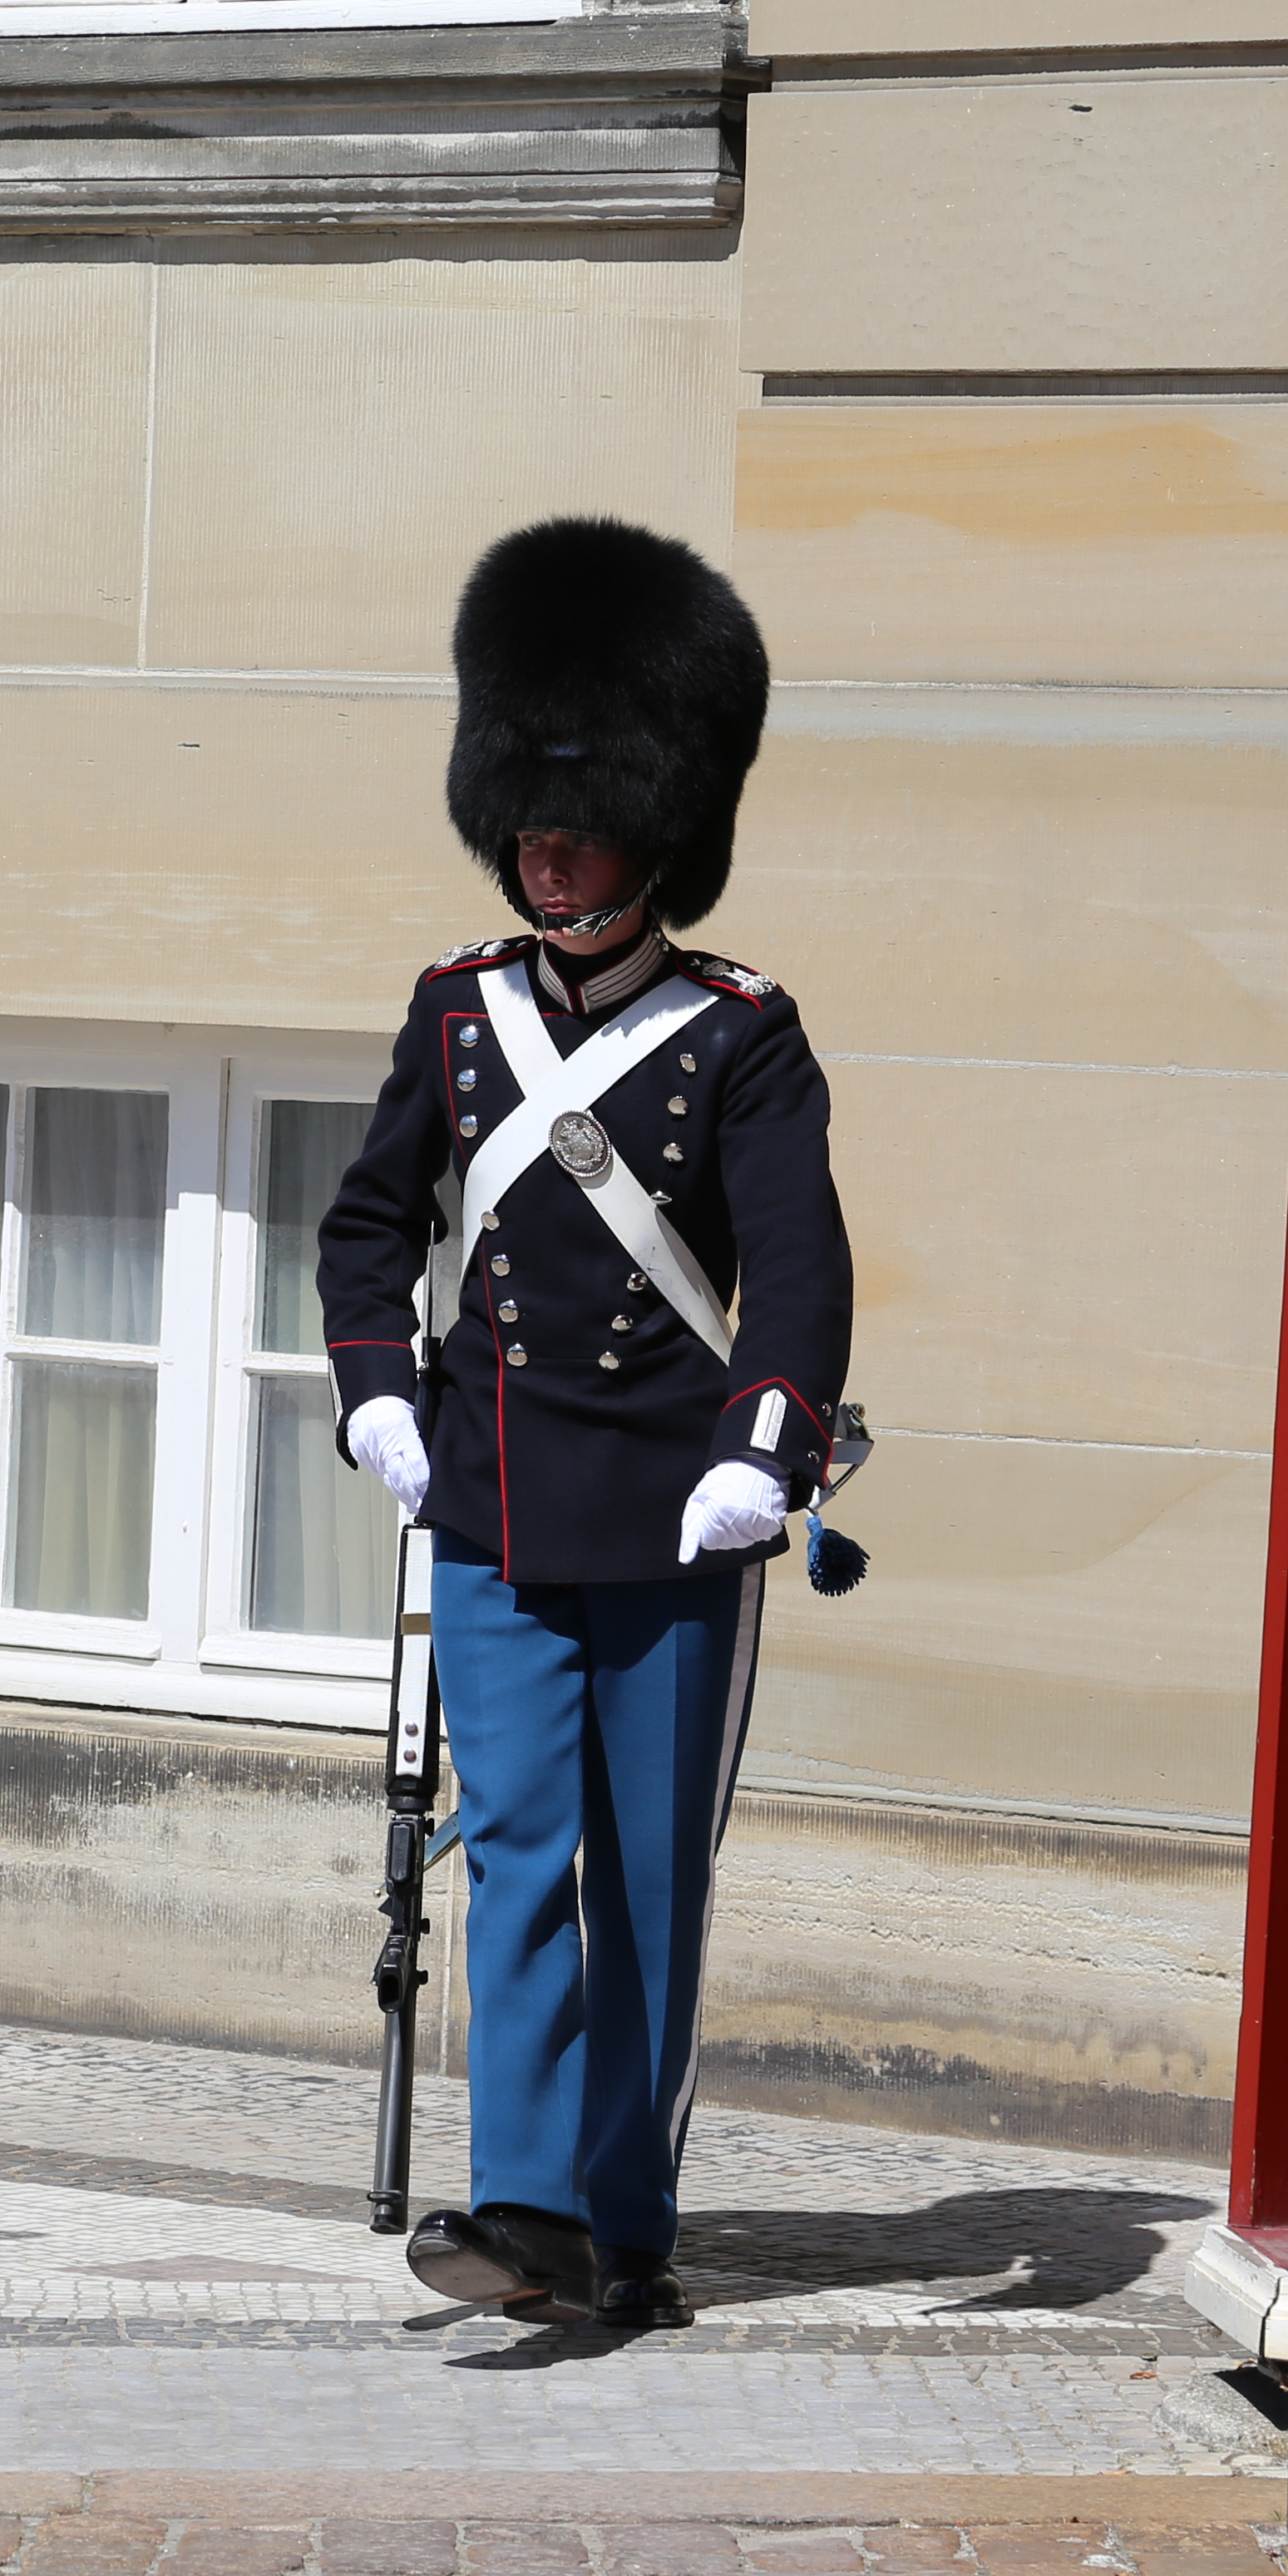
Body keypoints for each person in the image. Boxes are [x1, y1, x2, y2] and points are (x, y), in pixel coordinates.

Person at [312, 516, 855, 2330]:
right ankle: (527, 2206)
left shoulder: (744, 1036)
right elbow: (371, 1223)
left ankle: (629, 2219)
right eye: (528, 820)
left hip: (678, 1523)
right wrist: (380, 1392)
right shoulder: (458, 1014)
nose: (547, 848)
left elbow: (797, 1270)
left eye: (581, 819)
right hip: (499, 1506)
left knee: (647, 1887)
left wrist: (760, 1450)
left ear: (657, 832)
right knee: (521, 1847)